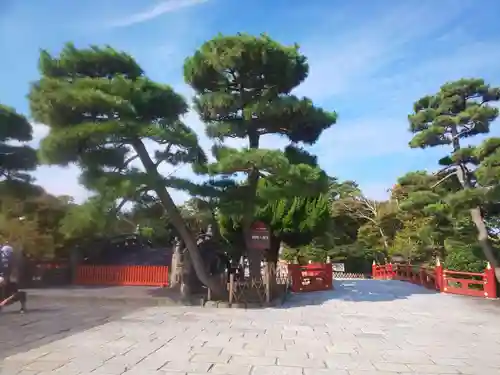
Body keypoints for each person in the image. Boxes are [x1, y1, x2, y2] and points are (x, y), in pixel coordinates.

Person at [0, 242, 27, 313]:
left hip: (10, 280)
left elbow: (14, 274)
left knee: (18, 293)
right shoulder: (5, 261)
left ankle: (22, 306)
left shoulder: (13, 264)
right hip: (5, 278)